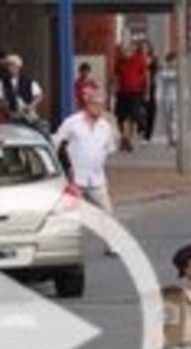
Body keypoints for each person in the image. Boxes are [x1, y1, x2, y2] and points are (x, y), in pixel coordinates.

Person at [55, 90, 120, 257]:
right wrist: (64, 169)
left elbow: (110, 148)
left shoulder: (105, 127)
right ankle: (63, 248)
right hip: (75, 178)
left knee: (107, 212)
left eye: (101, 105)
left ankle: (111, 246)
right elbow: (57, 144)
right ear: (87, 104)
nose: (98, 108)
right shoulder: (72, 123)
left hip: (97, 178)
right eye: (95, 104)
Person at [113, 42, 149, 151]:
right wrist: (114, 89)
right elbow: (116, 76)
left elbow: (146, 76)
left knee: (133, 116)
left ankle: (128, 140)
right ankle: (125, 138)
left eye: (127, 50)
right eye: (123, 50)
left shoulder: (139, 60)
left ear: (132, 51)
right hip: (122, 92)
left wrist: (147, 92)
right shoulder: (119, 61)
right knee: (120, 117)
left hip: (135, 92)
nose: (125, 52)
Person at [0, 54, 46, 130]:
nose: (9, 68)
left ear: (18, 67)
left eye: (12, 65)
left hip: (29, 116)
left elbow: (39, 95)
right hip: (11, 117)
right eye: (8, 66)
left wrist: (31, 106)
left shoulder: (29, 81)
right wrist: (7, 108)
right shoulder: (1, 83)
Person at [157, 52, 181, 147]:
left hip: (176, 97)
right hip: (166, 97)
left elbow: (183, 83)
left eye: (175, 61)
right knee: (167, 119)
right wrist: (158, 97)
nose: (173, 63)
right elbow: (160, 82)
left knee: (174, 118)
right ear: (168, 61)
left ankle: (175, 138)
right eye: (172, 61)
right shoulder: (163, 70)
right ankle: (169, 138)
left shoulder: (179, 70)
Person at [141, 41, 160, 142]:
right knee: (140, 110)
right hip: (139, 87)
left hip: (152, 86)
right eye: (142, 47)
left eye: (146, 47)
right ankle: (142, 129)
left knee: (151, 111)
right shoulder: (138, 58)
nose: (144, 49)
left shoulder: (153, 59)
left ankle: (148, 134)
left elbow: (156, 71)